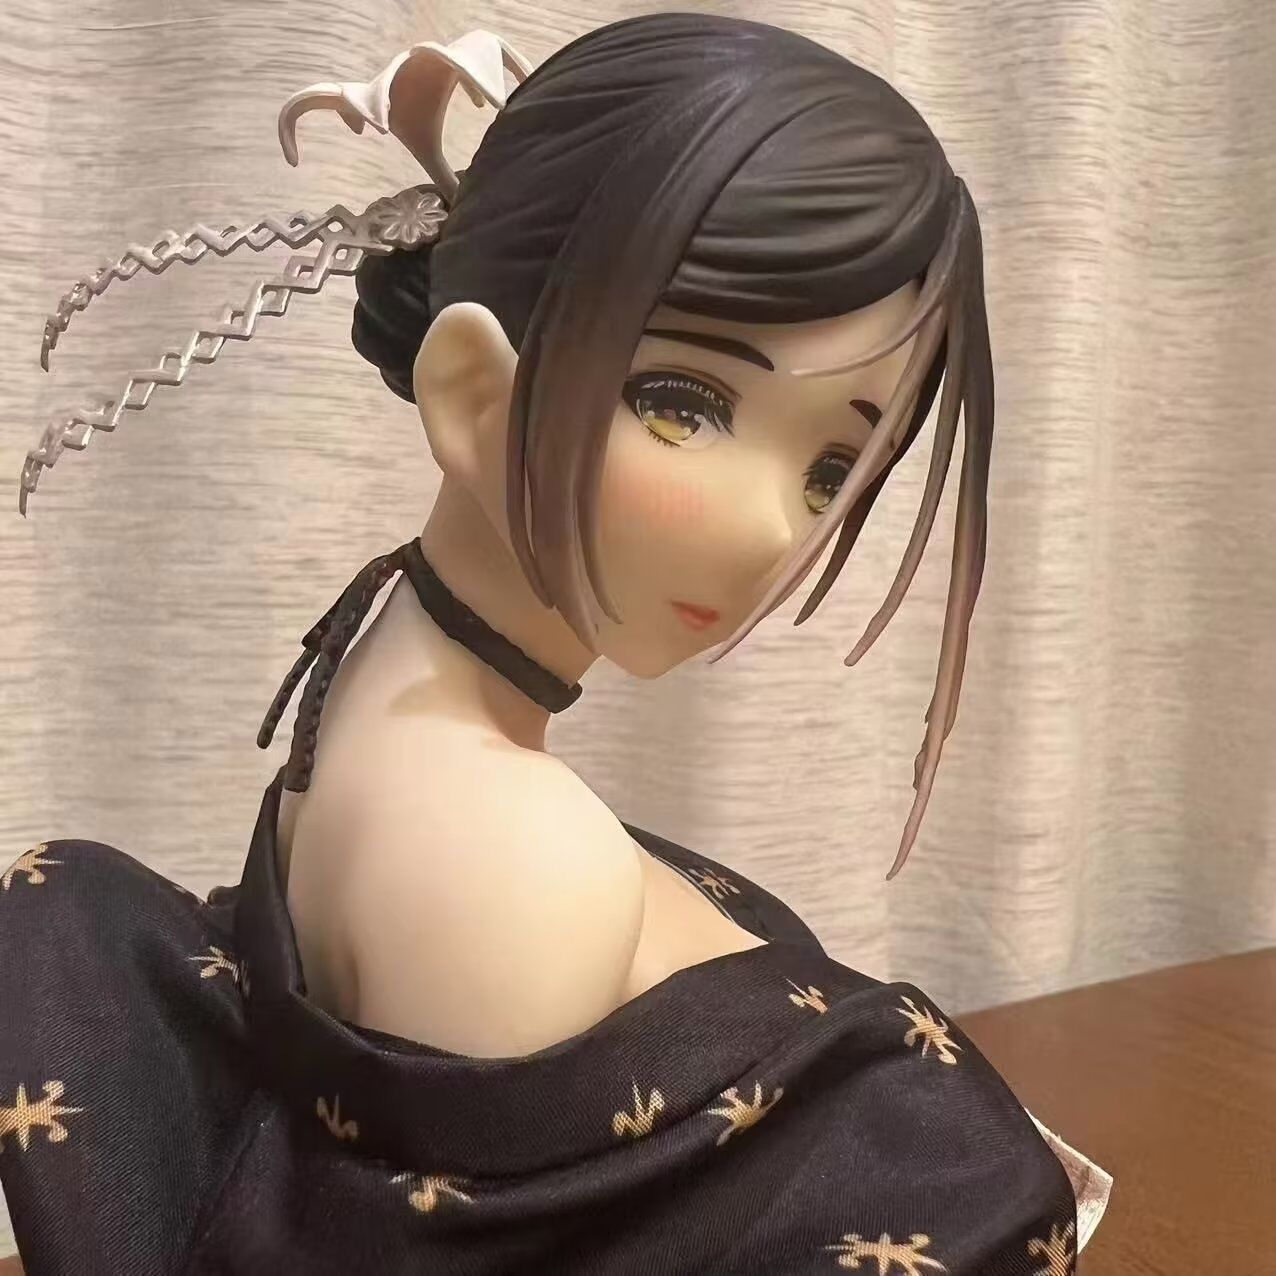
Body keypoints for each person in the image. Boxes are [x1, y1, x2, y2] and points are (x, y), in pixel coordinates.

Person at [1, 14, 1109, 1272]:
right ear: (472, 395)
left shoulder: (382, 685)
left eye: (831, 467)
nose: (774, 528)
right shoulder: (508, 855)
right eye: (684, 405)